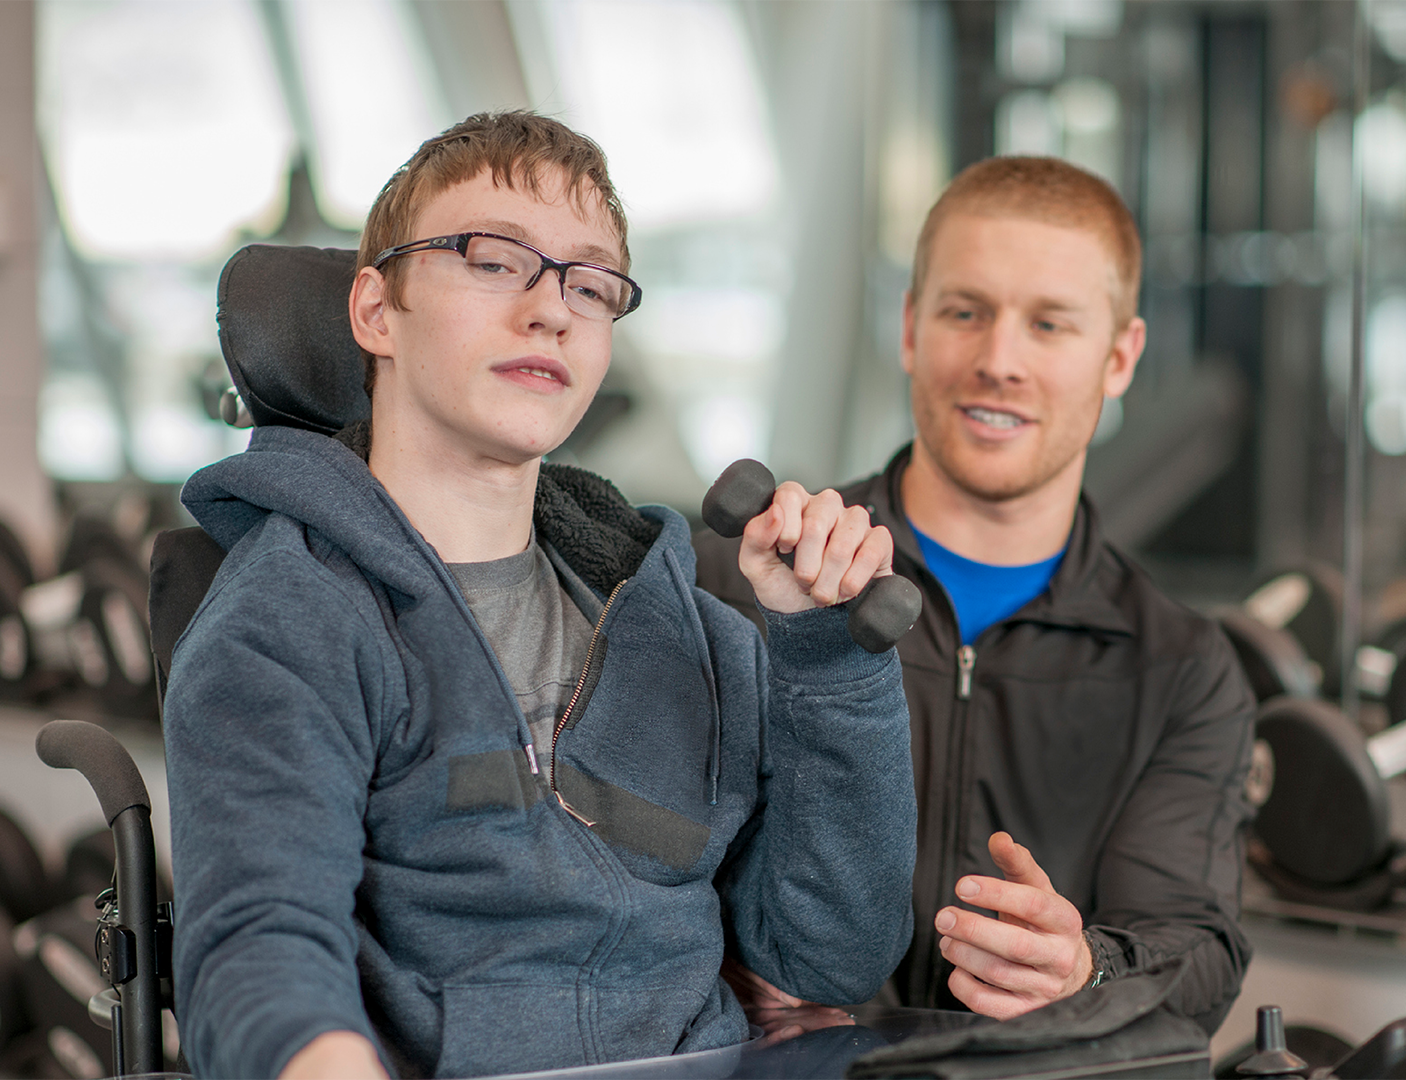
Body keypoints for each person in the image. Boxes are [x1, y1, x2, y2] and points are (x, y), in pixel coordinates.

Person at [161, 112, 917, 1080]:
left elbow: (829, 957)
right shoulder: (293, 620)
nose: (552, 309)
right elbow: (260, 954)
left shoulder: (690, 637)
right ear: (374, 312)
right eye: (490, 260)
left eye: (591, 284)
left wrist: (825, 660)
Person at [697, 156, 1255, 1033]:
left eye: (1050, 325)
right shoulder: (742, 582)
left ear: (1119, 358)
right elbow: (613, 867)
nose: (1000, 361)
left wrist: (1084, 969)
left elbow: (1195, 948)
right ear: (913, 328)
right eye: (967, 312)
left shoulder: (1182, 668)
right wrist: (709, 963)